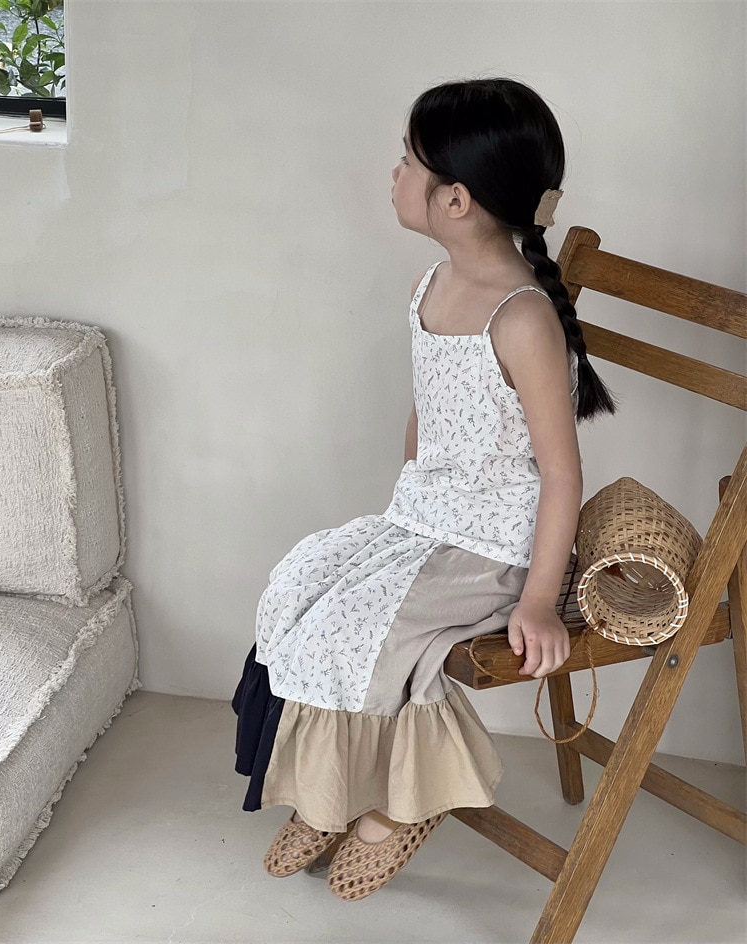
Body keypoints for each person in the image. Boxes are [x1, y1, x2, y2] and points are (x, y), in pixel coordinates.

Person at [232, 77, 615, 902]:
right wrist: (398, 526)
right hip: (426, 520)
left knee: (366, 627)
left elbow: (561, 472)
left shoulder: (521, 317)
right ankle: (332, 790)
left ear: (456, 199)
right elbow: (428, 417)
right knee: (305, 591)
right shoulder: (431, 286)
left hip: (495, 549)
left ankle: (405, 803)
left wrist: (539, 600)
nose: (394, 172)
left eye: (407, 160)